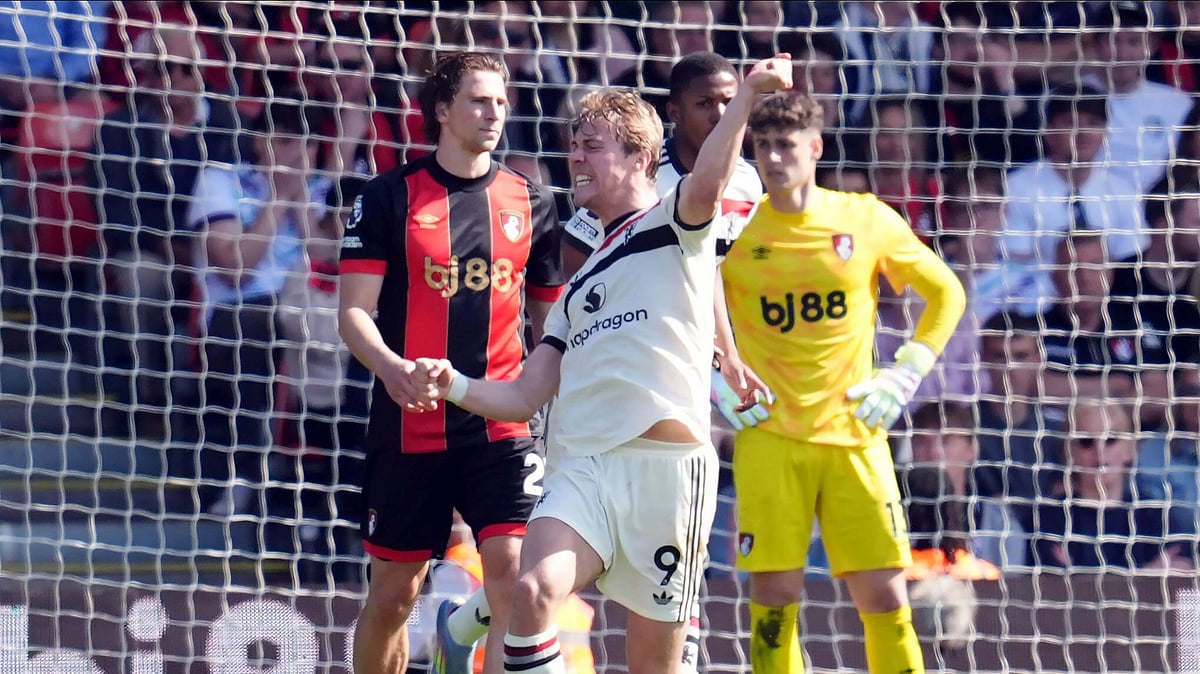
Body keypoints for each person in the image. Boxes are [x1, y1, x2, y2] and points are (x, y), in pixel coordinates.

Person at [415, 54, 794, 674]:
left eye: (592, 147)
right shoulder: (577, 287)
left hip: (668, 474)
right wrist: (451, 383)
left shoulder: (677, 222)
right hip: (584, 467)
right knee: (532, 591)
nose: (576, 160)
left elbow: (709, 177)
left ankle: (461, 627)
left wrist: (750, 94)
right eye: (574, 148)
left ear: (642, 158)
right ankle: (463, 630)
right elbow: (524, 395)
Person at [718, 90, 966, 674]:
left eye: (785, 144)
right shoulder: (734, 229)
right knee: (773, 602)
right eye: (762, 145)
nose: (773, 157)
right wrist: (717, 379)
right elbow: (685, 302)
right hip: (771, 438)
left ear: (815, 147)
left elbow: (946, 293)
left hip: (854, 434)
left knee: (886, 597)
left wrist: (904, 374)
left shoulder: (864, 218)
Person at [337, 52, 565, 674]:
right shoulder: (387, 196)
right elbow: (353, 312)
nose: (495, 113)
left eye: (501, 101)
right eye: (479, 100)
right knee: (393, 596)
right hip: (410, 422)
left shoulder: (533, 202)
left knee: (514, 579)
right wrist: (391, 369)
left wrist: (551, 399)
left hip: (502, 424)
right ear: (442, 110)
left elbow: (550, 324)